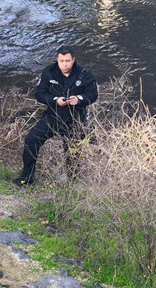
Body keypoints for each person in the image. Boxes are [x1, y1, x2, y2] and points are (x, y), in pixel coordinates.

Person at [13, 46, 98, 186]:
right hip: (53, 116)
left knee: (72, 153)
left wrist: (79, 99)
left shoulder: (84, 74)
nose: (64, 64)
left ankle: (72, 183)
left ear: (73, 60)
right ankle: (27, 177)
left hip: (75, 120)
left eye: (68, 61)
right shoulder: (49, 72)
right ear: (57, 60)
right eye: (62, 61)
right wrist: (55, 100)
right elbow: (39, 94)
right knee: (31, 140)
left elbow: (93, 94)